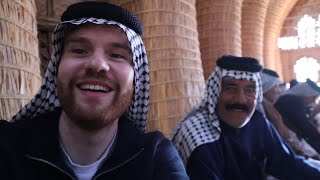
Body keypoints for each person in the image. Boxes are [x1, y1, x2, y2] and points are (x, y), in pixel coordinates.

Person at [0, 2, 188, 180]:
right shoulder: (8, 147)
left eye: (116, 55)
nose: (97, 64)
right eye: (80, 50)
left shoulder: (155, 157)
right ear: (57, 67)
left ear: (136, 80)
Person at [171, 55, 320, 180]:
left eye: (250, 90)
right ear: (215, 92)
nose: (241, 99)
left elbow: (285, 163)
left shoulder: (256, 121)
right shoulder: (197, 136)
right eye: (230, 88)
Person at [259, 68, 320, 161]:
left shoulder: (289, 100)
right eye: (275, 86)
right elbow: (304, 126)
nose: (279, 91)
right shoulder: (291, 101)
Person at [274, 78, 320, 154]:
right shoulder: (291, 101)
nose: (313, 101)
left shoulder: (293, 99)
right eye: (313, 97)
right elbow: (304, 126)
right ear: (306, 93)